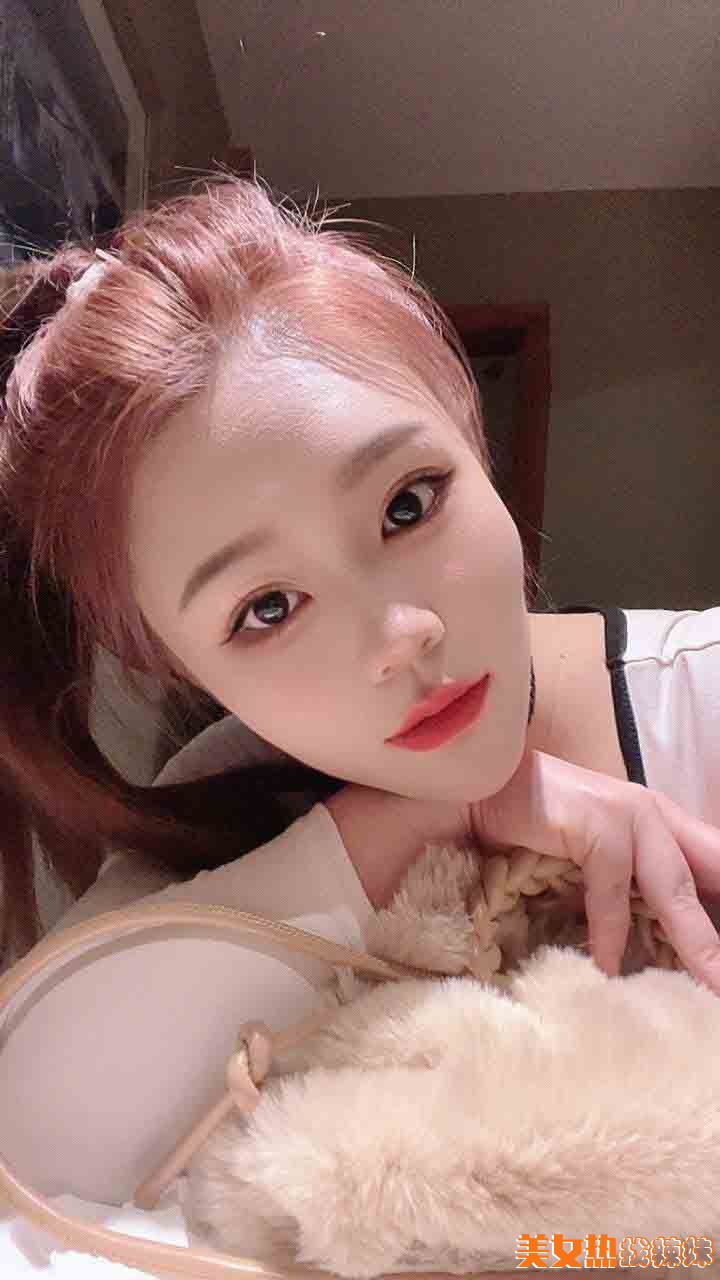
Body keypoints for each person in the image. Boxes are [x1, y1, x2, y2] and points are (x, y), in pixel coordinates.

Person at [1, 174, 720, 1218]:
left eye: (408, 505)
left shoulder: (697, 693)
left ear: (470, 429)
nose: (399, 636)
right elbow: (36, 1143)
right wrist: (416, 823)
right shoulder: (228, 800)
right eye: (267, 608)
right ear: (180, 668)